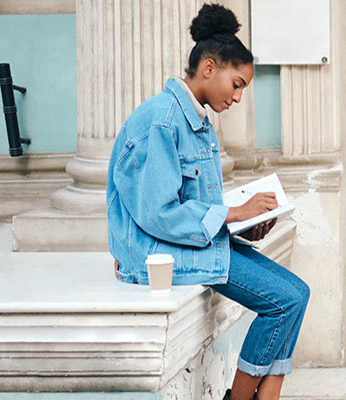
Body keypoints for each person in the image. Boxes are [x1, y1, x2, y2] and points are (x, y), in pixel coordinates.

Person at [105, 4, 310, 400]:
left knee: (297, 293)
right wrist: (233, 213)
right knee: (284, 302)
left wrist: (245, 225)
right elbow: (159, 212)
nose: (237, 98)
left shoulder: (195, 122)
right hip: (160, 254)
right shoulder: (161, 120)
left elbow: (194, 206)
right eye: (236, 85)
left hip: (189, 244)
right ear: (210, 67)